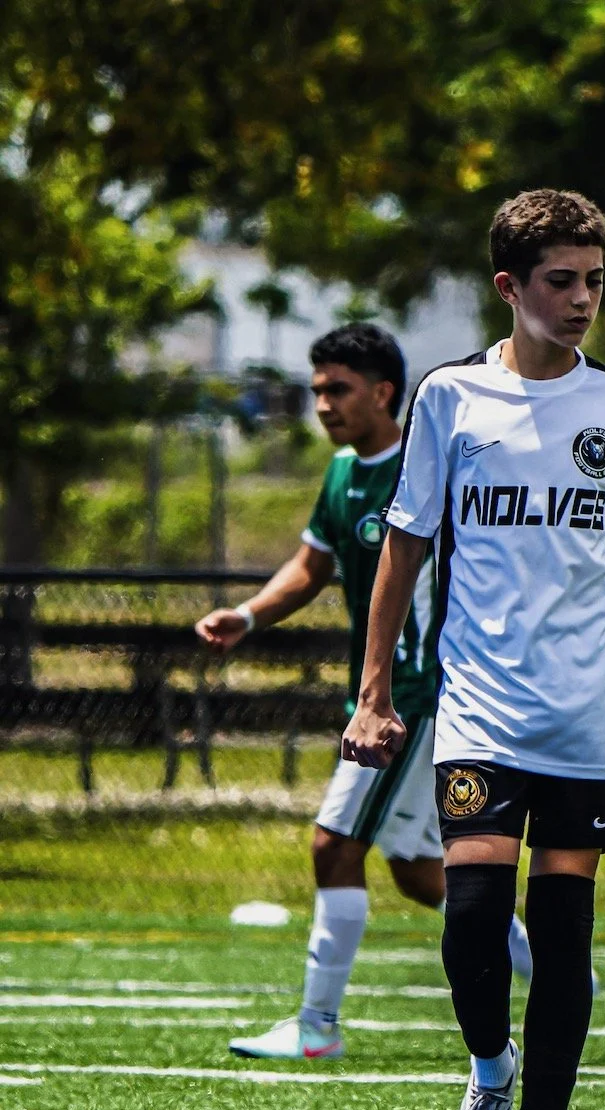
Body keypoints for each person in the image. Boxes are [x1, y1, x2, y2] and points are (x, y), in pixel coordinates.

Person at [341, 191, 605, 1110]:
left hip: (584, 715)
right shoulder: (450, 399)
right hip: (481, 709)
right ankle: (491, 1070)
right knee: (475, 920)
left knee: (567, 934)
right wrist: (371, 692)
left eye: (592, 280)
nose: (581, 300)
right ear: (509, 286)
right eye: (559, 281)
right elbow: (404, 548)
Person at [194, 323, 533, 1062]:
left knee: (333, 847)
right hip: (389, 696)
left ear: (383, 392)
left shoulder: (429, 468)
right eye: (316, 391)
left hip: (413, 696)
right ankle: (558, 971)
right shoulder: (345, 472)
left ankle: (317, 1027)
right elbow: (310, 566)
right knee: (417, 872)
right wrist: (247, 614)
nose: (322, 405)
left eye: (337, 389)